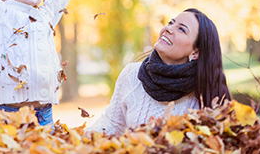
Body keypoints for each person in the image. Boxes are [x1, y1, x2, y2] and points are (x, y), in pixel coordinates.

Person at [86, 8, 231, 136]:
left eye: (181, 29)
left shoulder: (205, 94)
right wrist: (90, 136)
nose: (168, 28)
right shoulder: (131, 74)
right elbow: (112, 123)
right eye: (171, 23)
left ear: (195, 52)